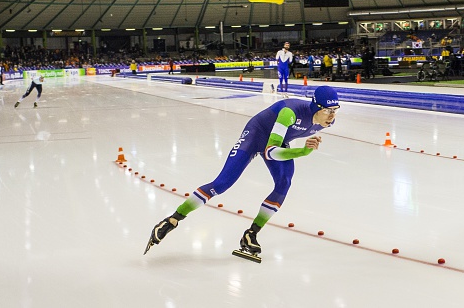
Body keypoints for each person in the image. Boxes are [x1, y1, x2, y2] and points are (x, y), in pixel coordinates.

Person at [145, 86, 340, 258]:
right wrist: (303, 151)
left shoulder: (327, 122)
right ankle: (171, 221)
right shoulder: (289, 112)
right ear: (316, 107)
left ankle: (251, 234)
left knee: (284, 183)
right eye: (328, 110)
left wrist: (300, 149)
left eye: (335, 110)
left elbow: (279, 144)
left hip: (277, 140)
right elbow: (270, 152)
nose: (332, 116)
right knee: (222, 183)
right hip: (256, 134)